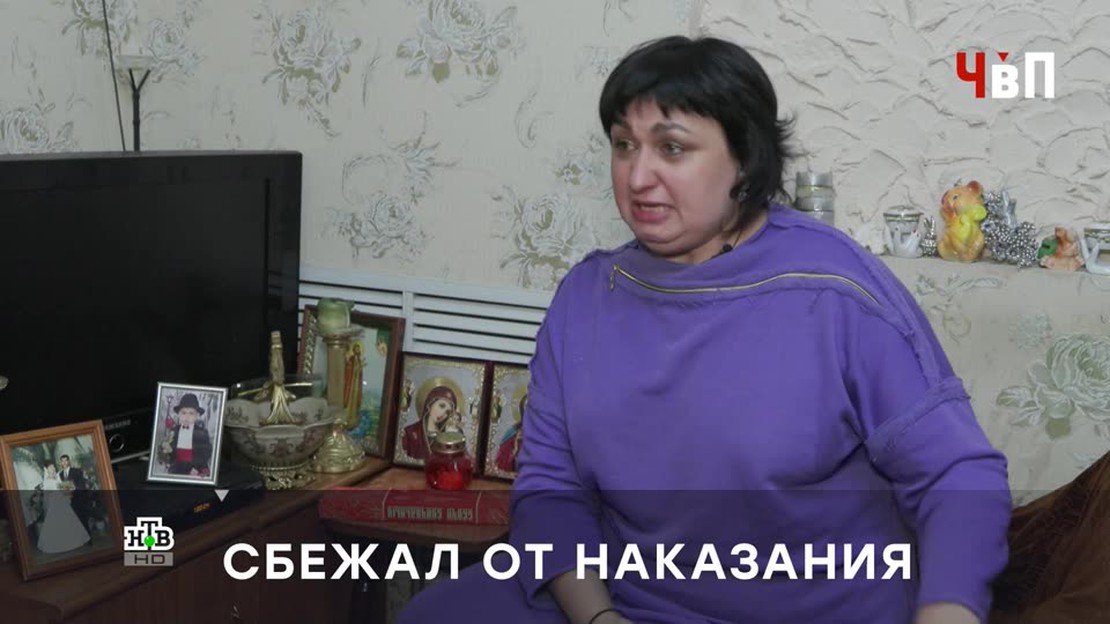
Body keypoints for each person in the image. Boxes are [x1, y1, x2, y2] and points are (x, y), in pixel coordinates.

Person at [398, 35, 1011, 624]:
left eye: (672, 148)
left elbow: (958, 475)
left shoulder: (836, 291)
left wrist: (948, 611)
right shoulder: (586, 297)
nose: (638, 177)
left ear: (744, 159)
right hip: (626, 597)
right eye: (623, 145)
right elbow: (551, 489)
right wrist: (600, 617)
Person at [36, 462, 91, 554]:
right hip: (54, 505)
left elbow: (64, 488)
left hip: (62, 503)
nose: (53, 468)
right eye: (51, 467)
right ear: (46, 470)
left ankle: (71, 542)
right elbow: (54, 491)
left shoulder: (57, 477)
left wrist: (69, 488)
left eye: (53, 467)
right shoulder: (46, 481)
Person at [401, 384, 462, 461]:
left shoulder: (446, 437)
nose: (443, 414)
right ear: (430, 404)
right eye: (441, 406)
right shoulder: (410, 433)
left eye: (447, 412)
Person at [163, 393, 213, 477]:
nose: (187, 416)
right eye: (184, 413)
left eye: (191, 413)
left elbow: (206, 452)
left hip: (196, 468)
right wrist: (168, 459)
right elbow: (169, 450)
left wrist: (196, 467)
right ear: (179, 414)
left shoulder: (202, 433)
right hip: (177, 467)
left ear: (197, 416)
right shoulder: (173, 431)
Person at [57, 454, 93, 532]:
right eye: (62, 461)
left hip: (78, 501)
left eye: (66, 460)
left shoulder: (76, 471)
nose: (64, 463)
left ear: (69, 461)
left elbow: (82, 486)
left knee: (83, 521)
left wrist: (73, 489)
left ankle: (88, 538)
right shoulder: (60, 474)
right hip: (68, 502)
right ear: (60, 463)